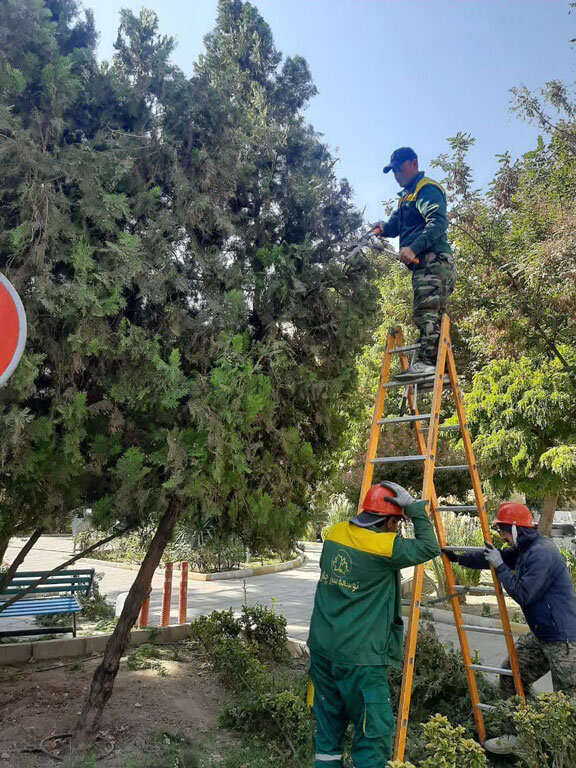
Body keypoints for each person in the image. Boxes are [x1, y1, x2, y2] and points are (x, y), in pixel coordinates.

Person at [307, 481, 440, 767]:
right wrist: (414, 508)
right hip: (361, 660)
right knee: (372, 735)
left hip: (322, 650)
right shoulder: (384, 547)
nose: (397, 529)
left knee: (328, 733)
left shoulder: (335, 534)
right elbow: (430, 547)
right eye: (397, 523)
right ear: (390, 521)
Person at [442, 502, 576, 755]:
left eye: (503, 530)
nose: (501, 536)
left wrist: (501, 567)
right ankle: (519, 737)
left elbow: (524, 592)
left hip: (565, 639)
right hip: (542, 634)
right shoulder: (523, 549)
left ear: (515, 528)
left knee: (567, 701)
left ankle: (566, 754)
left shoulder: (542, 553)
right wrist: (458, 557)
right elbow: (494, 558)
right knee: (512, 675)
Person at [373, 147, 455, 380]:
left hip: (433, 260)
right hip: (424, 264)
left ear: (414, 163)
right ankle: (439, 370)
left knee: (426, 311)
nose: (396, 175)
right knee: (430, 313)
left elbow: (437, 223)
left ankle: (428, 365)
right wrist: (382, 228)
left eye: (399, 169)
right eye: (393, 171)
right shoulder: (406, 197)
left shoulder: (426, 189)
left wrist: (413, 248)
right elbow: (394, 226)